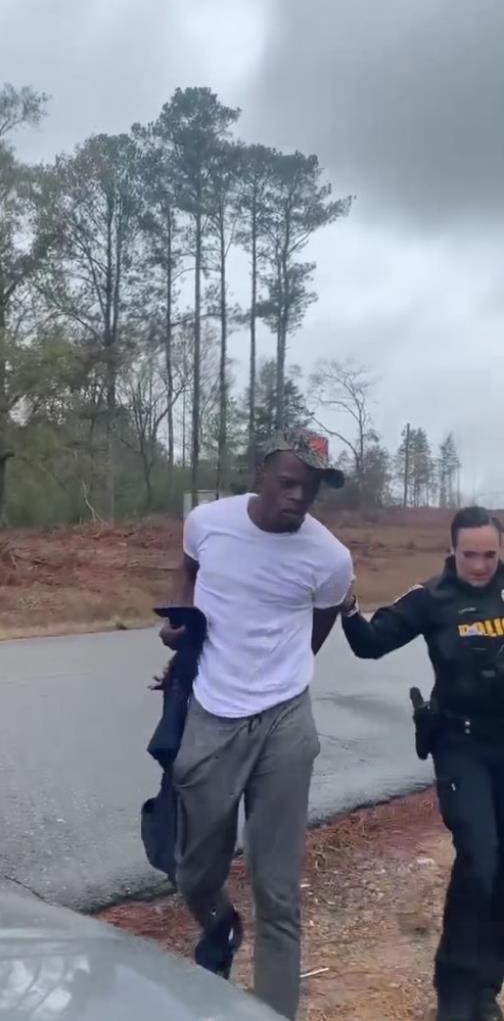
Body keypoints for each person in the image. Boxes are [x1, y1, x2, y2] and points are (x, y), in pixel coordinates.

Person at [159, 430, 353, 1020]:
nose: (298, 497)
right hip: (211, 715)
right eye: (288, 481)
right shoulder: (208, 522)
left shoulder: (331, 559)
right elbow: (187, 574)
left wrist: (281, 669)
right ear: (260, 472)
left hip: (285, 725)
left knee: (278, 894)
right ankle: (219, 928)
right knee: (193, 871)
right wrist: (178, 632)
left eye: (311, 488)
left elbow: (317, 631)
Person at [340, 505, 504, 1021]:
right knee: (481, 858)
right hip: (462, 745)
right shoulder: (432, 599)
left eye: (491, 555)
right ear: (453, 550)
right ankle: (455, 992)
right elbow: (370, 645)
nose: (480, 565)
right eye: (470, 554)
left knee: (500, 871)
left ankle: (484, 988)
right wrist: (343, 606)